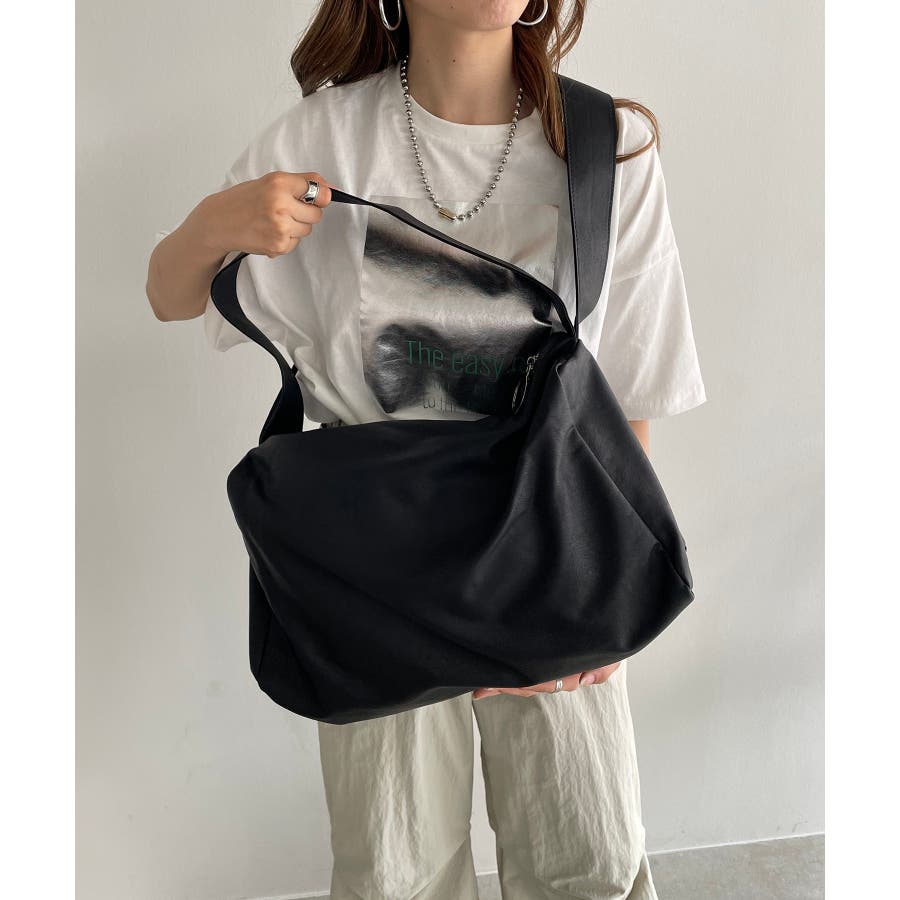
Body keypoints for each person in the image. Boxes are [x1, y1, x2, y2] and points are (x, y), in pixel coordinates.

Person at [146, 1, 707, 897]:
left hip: (553, 542)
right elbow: (171, 296)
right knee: (393, 872)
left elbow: (631, 384)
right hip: (376, 560)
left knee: (591, 865)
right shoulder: (320, 137)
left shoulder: (606, 143)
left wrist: (609, 582)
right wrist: (215, 224)